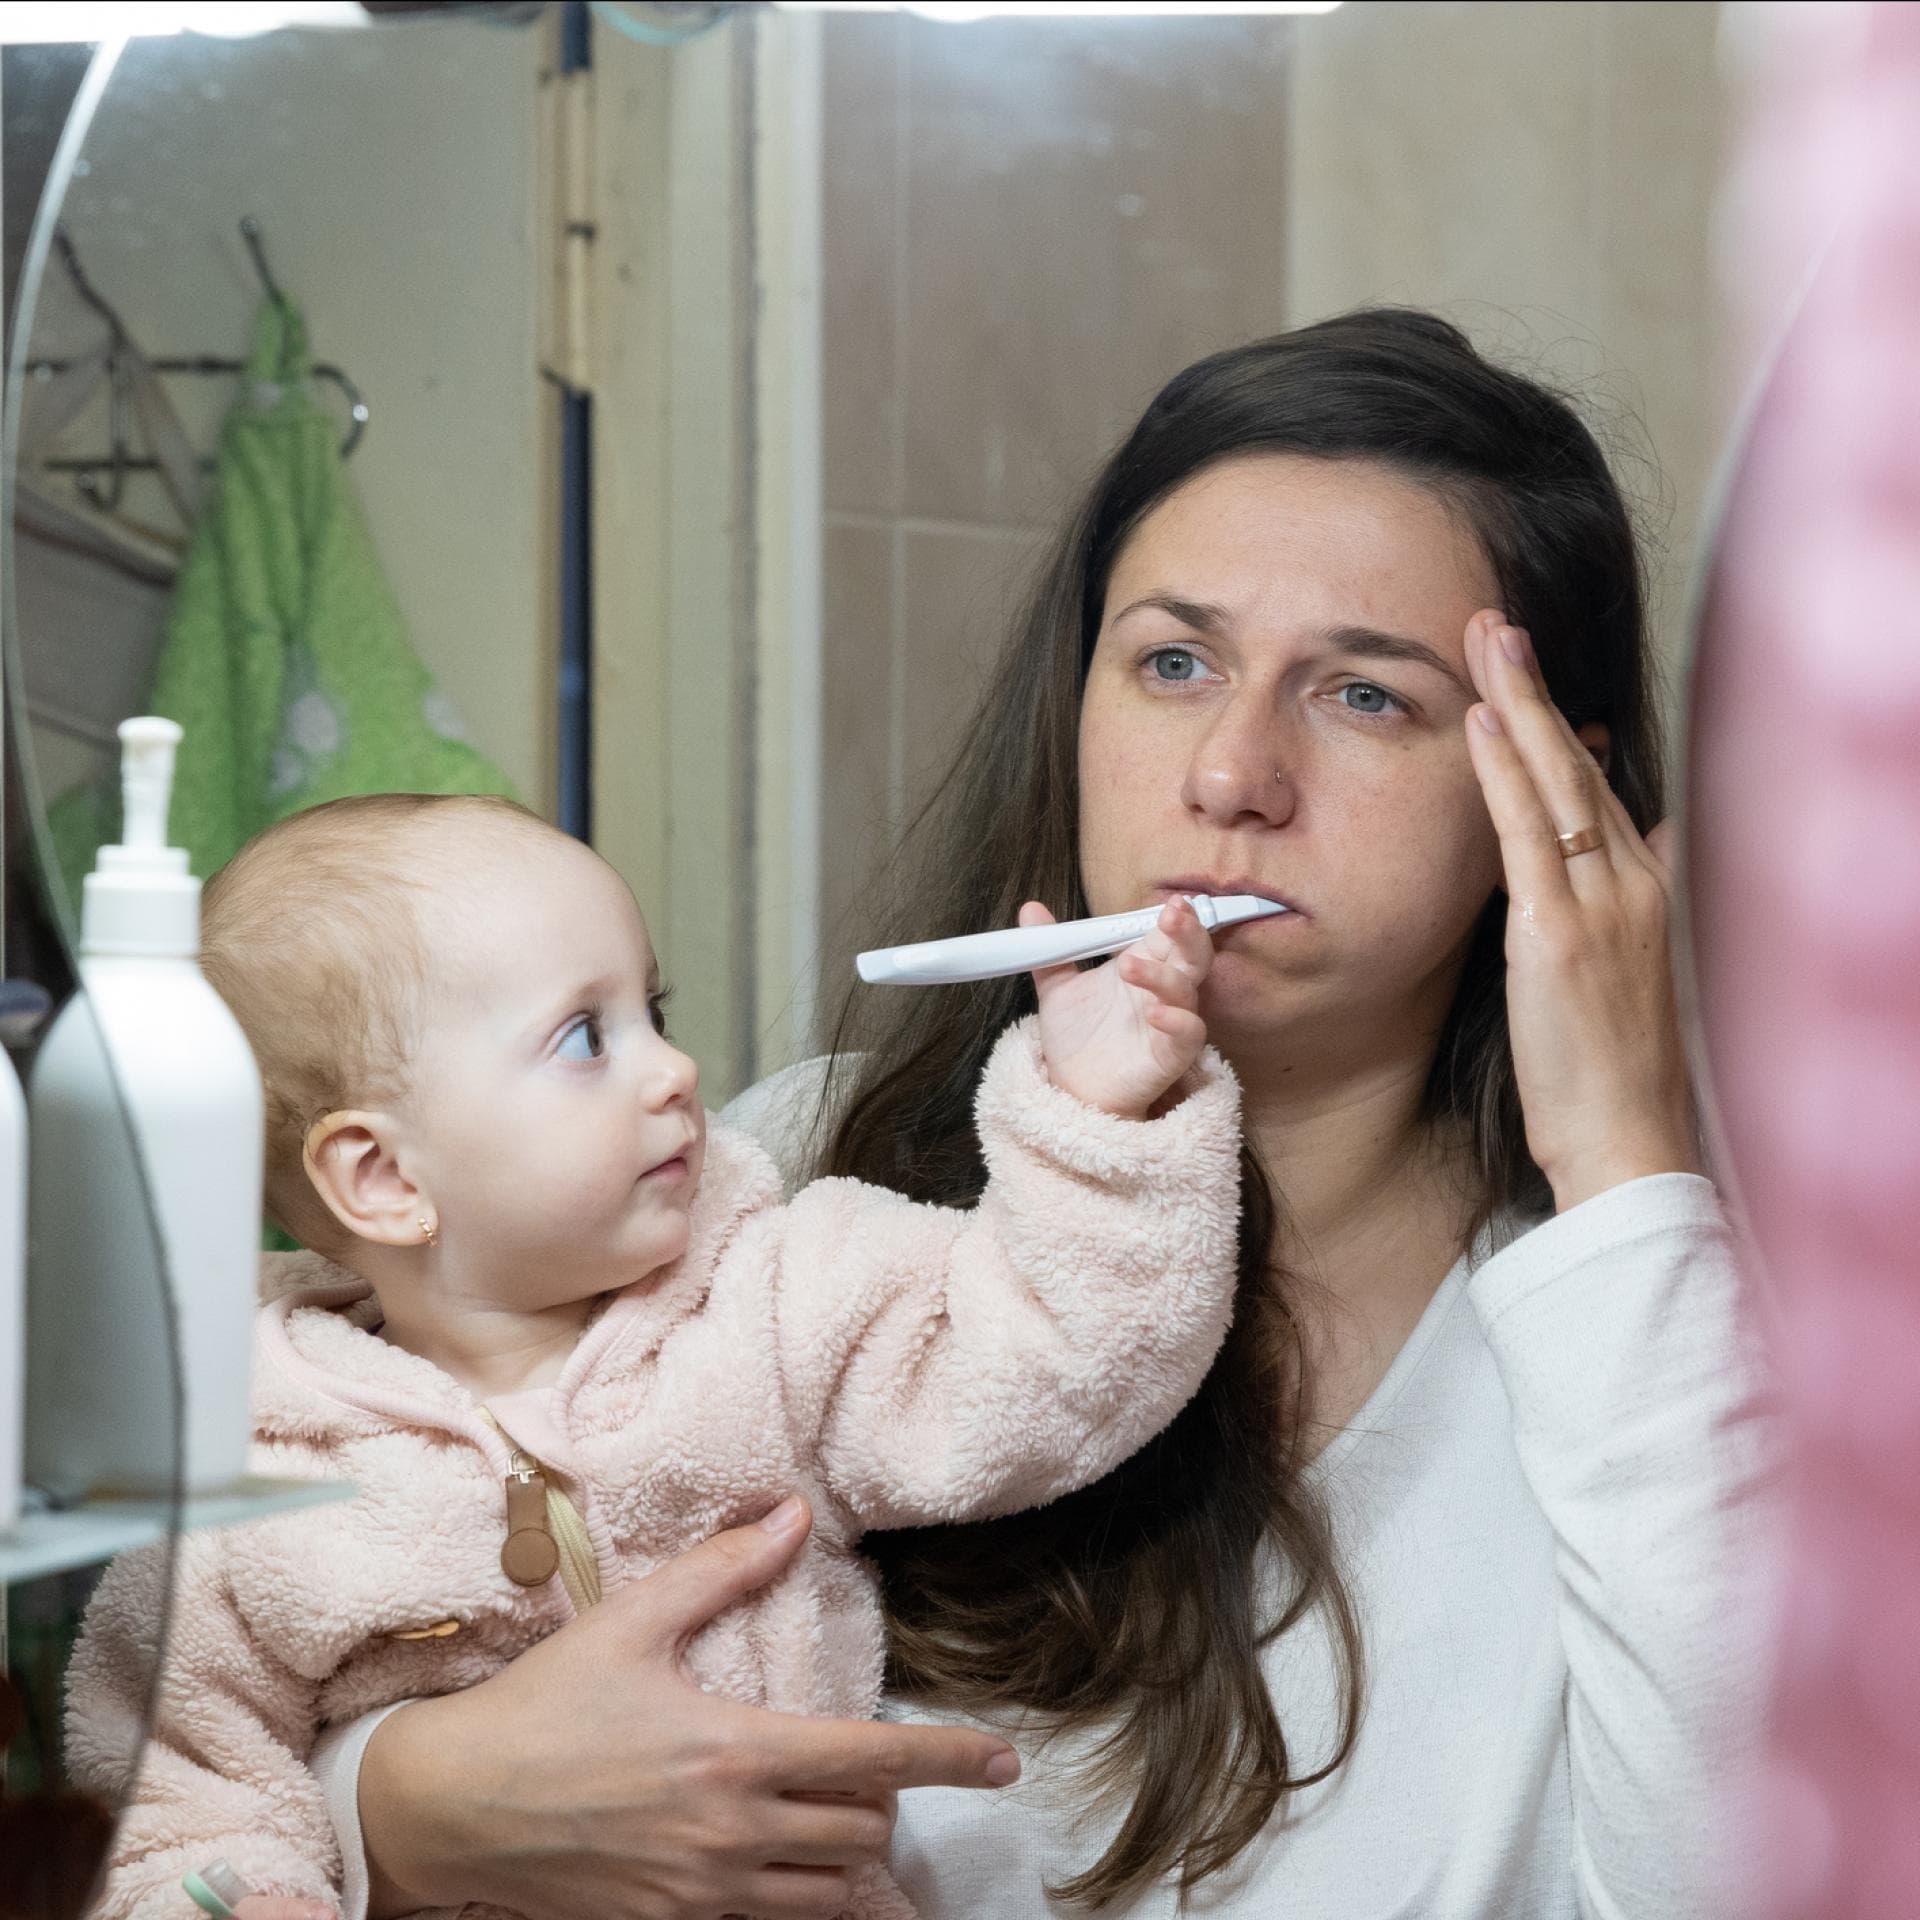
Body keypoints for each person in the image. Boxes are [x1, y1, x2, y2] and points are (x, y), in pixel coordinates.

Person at [314, 310, 1780, 1918]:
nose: (1232, 775)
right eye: (1173, 661)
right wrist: (399, 1805)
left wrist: (1629, 1175)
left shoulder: (1662, 1337)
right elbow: (340, 1621)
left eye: (1365, 696)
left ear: (1553, 799)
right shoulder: (773, 1193)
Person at [65, 793, 1252, 1920]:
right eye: (585, 1034)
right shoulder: (248, 1487)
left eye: (656, 1013)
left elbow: (1053, 1367)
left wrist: (1097, 1117)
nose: (674, 1071)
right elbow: (171, 1796)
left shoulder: (780, 1297)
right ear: (383, 1178)